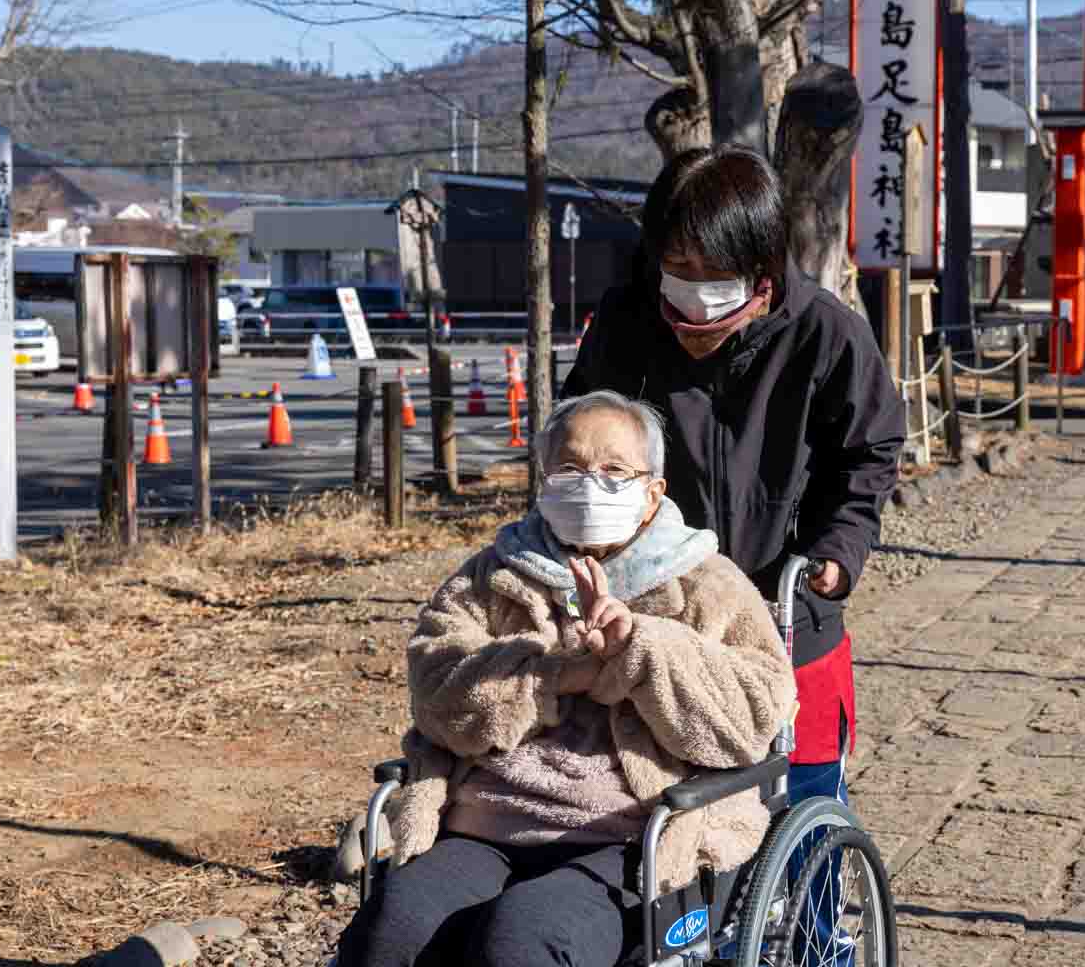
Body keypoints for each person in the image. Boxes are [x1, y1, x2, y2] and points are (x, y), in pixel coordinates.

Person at [337, 390, 796, 967]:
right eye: (571, 469)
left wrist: (640, 649)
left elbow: (755, 718)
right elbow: (434, 691)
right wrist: (556, 675)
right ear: (544, 483)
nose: (589, 483)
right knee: (390, 928)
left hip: (633, 836)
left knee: (524, 940)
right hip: (485, 823)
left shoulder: (709, 584)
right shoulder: (493, 575)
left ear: (653, 493)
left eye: (613, 471)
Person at [562, 144, 904, 811]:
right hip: (653, 613)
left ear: (762, 265)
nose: (692, 290)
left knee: (803, 801)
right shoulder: (626, 323)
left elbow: (869, 452)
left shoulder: (825, 335)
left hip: (785, 612)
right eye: (677, 268)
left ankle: (822, 915)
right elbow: (579, 433)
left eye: (714, 273)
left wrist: (840, 546)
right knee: (663, 800)